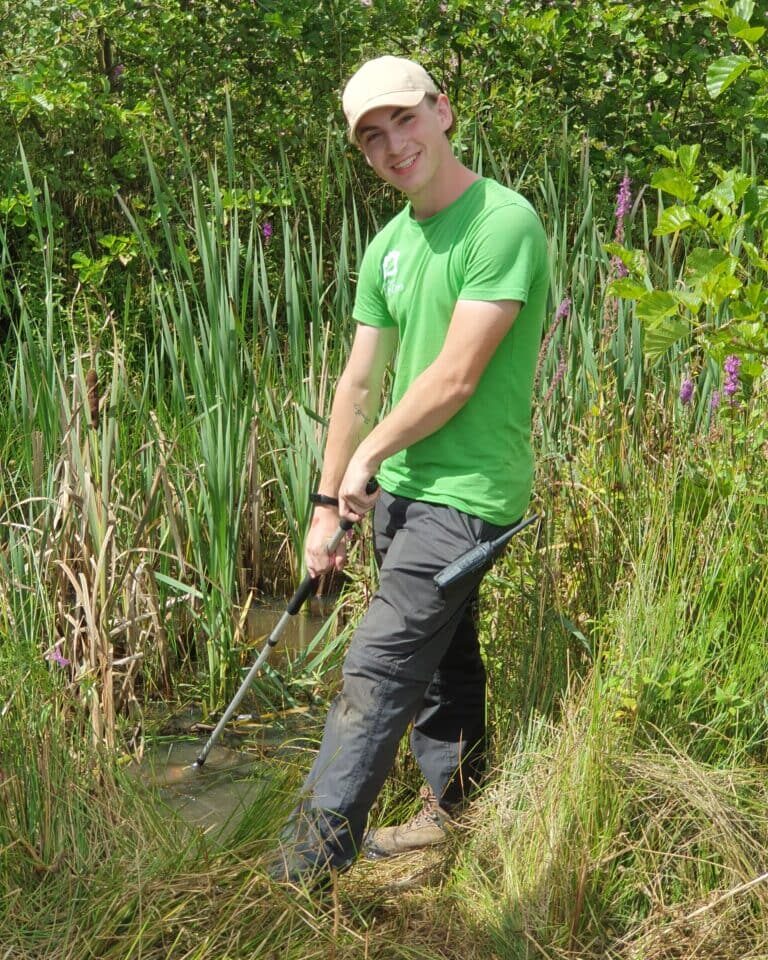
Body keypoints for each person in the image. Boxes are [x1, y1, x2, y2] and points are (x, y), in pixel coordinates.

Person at [273, 54, 549, 886]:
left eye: (405, 119)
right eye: (371, 137)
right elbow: (356, 381)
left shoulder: (502, 222)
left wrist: (369, 454)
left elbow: (456, 376)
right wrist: (327, 503)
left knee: (378, 669)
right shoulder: (389, 245)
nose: (394, 145)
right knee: (441, 660)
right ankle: (457, 812)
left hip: (469, 498)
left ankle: (302, 877)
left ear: (444, 111)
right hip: (402, 497)